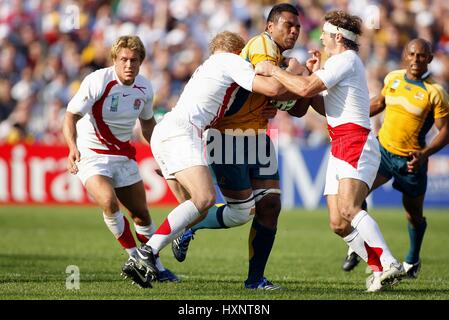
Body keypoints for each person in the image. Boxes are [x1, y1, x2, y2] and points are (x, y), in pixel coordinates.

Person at [255, 10, 407, 292]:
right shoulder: (340, 62)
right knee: (338, 222)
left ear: (337, 36)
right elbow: (322, 105)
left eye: (324, 34)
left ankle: (388, 263)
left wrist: (274, 70)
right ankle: (379, 268)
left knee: (349, 208)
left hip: (355, 140)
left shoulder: (344, 60)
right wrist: (311, 77)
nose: (320, 38)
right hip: (340, 142)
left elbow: (306, 88)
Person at [132, 31, 286, 287]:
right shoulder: (231, 61)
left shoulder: (211, 68)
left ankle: (153, 254)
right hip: (185, 133)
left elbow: (237, 101)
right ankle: (148, 251)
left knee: (238, 212)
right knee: (203, 199)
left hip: (174, 132)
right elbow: (272, 86)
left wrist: (263, 106)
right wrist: (280, 70)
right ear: (239, 51)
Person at [170, 3, 302, 290]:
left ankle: (255, 280)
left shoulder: (279, 57)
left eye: (297, 27)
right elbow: (277, 90)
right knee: (241, 212)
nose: (294, 31)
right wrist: (295, 74)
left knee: (270, 206)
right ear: (270, 26)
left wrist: (282, 95)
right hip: (228, 136)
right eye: (287, 25)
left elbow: (290, 103)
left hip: (258, 138)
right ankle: (189, 225)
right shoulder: (259, 46)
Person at [62, 35, 178, 288]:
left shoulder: (145, 88)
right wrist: (72, 148)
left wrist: (162, 155)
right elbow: (70, 116)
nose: (129, 65)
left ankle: (156, 265)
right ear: (114, 60)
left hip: (123, 155)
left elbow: (148, 123)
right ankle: (135, 258)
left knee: (142, 216)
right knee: (108, 201)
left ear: (140, 62)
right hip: (91, 153)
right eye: (123, 59)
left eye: (134, 60)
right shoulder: (97, 81)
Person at [341, 38, 449, 277]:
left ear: (430, 58)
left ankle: (412, 260)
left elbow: (445, 130)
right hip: (382, 152)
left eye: (421, 56)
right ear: (404, 55)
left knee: (414, 215)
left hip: (412, 160)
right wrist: (346, 117)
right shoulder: (393, 78)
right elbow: (379, 103)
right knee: (356, 198)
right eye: (411, 54)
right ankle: (358, 247)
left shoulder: (435, 92)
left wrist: (425, 154)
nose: (415, 60)